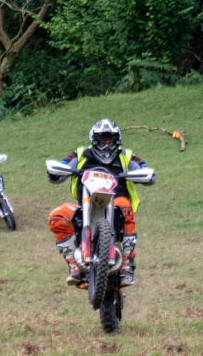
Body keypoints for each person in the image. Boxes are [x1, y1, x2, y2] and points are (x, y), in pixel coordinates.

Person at [46, 119, 153, 287]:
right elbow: (62, 167)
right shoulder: (80, 154)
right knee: (57, 217)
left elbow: (144, 169)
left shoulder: (126, 155)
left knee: (125, 208)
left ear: (117, 140)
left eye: (110, 140)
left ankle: (126, 264)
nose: (106, 145)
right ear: (94, 140)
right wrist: (56, 172)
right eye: (102, 140)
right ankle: (75, 265)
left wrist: (145, 175)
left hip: (117, 199)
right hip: (86, 204)